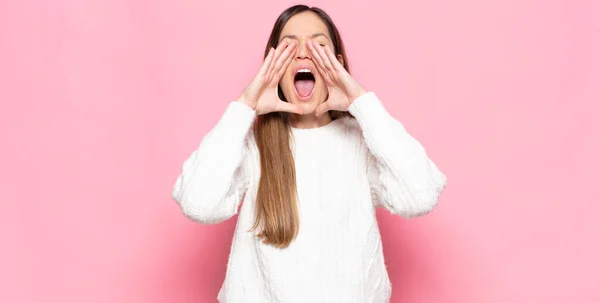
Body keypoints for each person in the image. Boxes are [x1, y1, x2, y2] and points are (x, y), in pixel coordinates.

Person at [171, 4, 447, 303]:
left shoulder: (362, 141)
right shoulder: (250, 144)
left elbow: (421, 194)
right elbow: (198, 204)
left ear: (337, 63)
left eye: (318, 45)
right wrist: (244, 107)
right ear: (272, 64)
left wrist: (360, 101)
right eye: (289, 45)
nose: (303, 54)